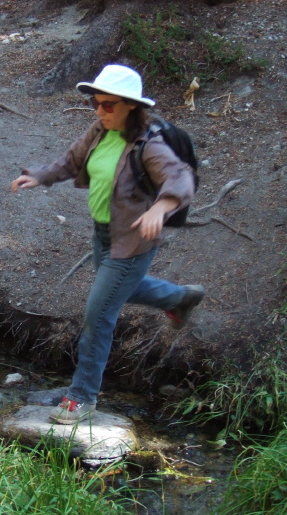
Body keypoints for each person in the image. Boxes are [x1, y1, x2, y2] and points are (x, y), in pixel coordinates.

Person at [10, 64, 204, 425]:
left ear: (130, 105)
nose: (99, 110)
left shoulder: (149, 144)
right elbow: (71, 161)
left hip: (133, 242)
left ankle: (82, 397)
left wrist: (161, 208)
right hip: (104, 235)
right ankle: (180, 298)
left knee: (98, 315)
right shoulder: (100, 130)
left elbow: (180, 177)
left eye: (107, 104)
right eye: (96, 103)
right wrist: (38, 176)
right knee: (119, 291)